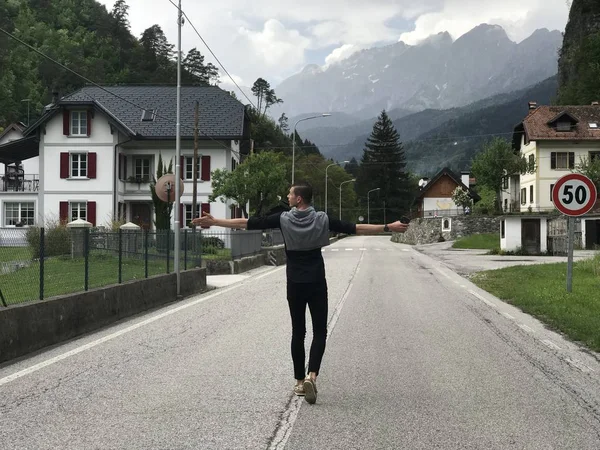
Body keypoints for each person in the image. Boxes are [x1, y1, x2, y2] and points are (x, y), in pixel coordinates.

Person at [192, 181, 409, 404]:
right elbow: (354, 227)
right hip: (316, 280)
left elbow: (248, 223)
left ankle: (298, 382)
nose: (287, 196)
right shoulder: (323, 219)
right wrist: (387, 227)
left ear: (298, 199)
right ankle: (311, 376)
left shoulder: (283, 218)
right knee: (319, 331)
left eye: (290, 194)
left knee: (298, 331)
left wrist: (216, 221)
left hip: (294, 282)